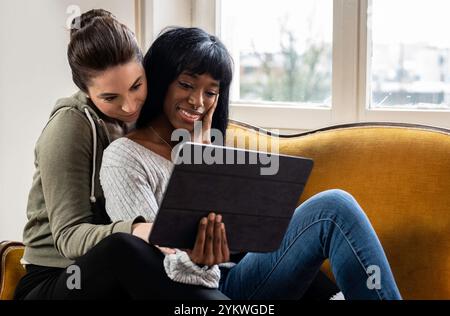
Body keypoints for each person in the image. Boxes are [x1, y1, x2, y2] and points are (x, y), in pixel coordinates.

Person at [100, 27, 403, 300]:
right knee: (334, 207)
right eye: (186, 85)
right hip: (200, 291)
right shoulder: (124, 157)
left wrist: (202, 155)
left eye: (211, 92)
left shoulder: (211, 147)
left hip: (241, 274)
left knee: (335, 207)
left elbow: (243, 239)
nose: (198, 102)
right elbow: (147, 264)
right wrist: (198, 257)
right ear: (162, 79)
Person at [14, 9, 229, 300]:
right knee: (123, 246)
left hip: (127, 271)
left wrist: (198, 153)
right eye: (110, 97)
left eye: (136, 86)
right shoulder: (70, 127)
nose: (129, 106)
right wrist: (138, 229)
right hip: (59, 279)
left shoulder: (151, 120)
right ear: (86, 91)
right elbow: (68, 237)